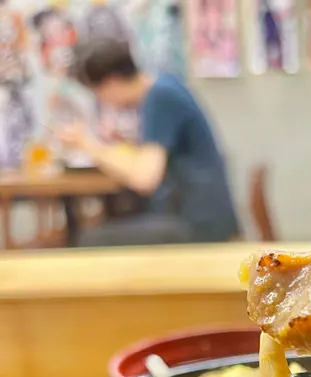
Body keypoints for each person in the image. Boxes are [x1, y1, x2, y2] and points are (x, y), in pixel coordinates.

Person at [59, 37, 240, 245]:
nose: (102, 101)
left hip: (197, 226)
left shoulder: (160, 97)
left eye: (98, 93)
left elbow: (145, 178)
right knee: (110, 222)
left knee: (88, 240)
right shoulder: (164, 86)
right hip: (194, 217)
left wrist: (87, 144)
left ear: (112, 82)